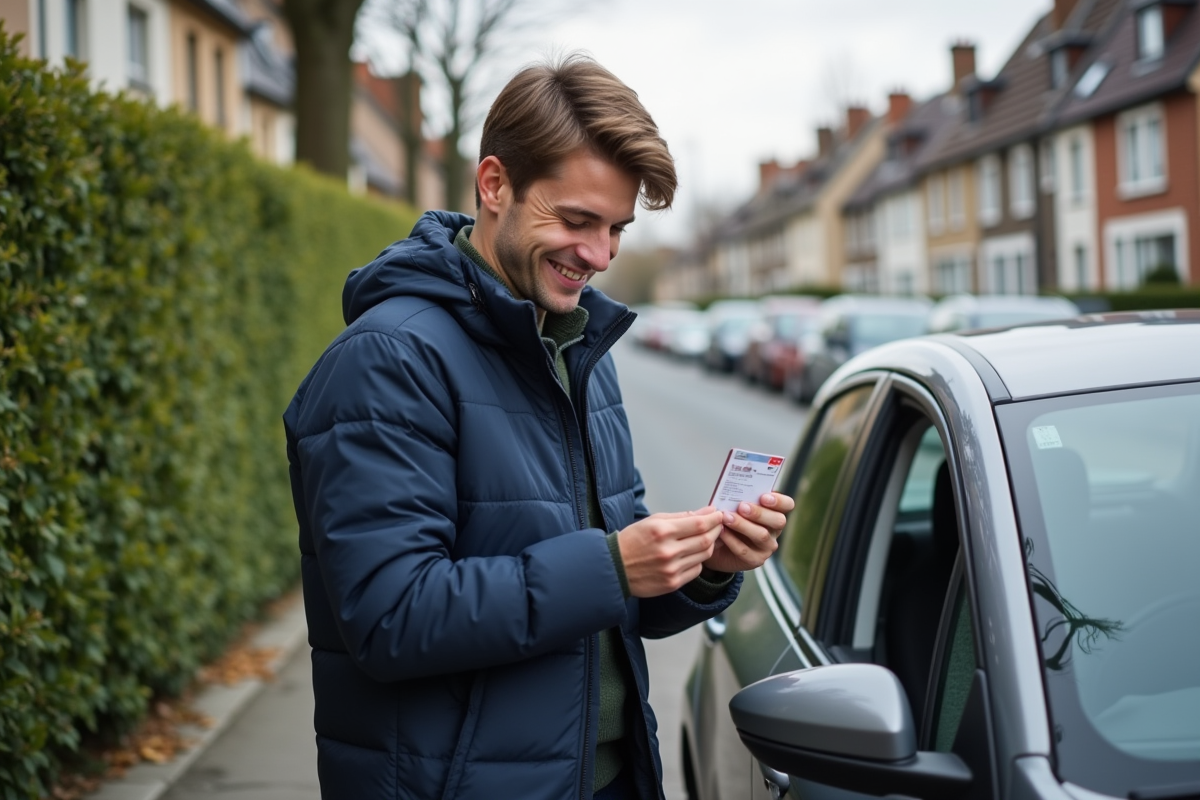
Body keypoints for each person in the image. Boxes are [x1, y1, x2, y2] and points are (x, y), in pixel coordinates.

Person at [283, 54, 795, 800]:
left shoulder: (578, 349)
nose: (600, 255)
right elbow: (390, 617)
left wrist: (706, 564)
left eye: (616, 228)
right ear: (495, 185)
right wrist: (614, 566)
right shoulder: (388, 361)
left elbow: (608, 603)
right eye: (577, 220)